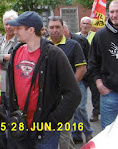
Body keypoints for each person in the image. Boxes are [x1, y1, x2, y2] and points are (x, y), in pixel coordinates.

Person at [7, 11, 81, 148]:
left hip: (44, 132)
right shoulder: (16, 52)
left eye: (19, 28)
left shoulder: (54, 54)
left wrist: (53, 122)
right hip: (20, 127)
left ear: (30, 30)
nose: (14, 31)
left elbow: (74, 94)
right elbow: (11, 89)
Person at [48, 16, 87, 149]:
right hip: (47, 97)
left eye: (57, 27)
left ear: (63, 28)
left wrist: (70, 87)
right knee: (48, 133)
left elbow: (82, 68)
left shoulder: (73, 45)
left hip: (65, 98)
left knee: (64, 135)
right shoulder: (43, 45)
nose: (54, 30)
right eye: (51, 27)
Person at [89, 0, 118, 130]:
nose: (114, 15)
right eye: (112, 11)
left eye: (117, 11)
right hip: (109, 94)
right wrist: (99, 84)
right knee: (108, 134)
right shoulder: (100, 36)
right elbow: (93, 63)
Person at [63, 22, 94, 144]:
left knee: (80, 108)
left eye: (60, 28)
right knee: (71, 109)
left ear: (65, 29)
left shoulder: (79, 41)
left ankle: (88, 132)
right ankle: (76, 134)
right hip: (62, 83)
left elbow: (89, 59)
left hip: (79, 80)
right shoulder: (52, 43)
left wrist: (85, 78)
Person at [77, 16, 100, 122]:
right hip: (81, 70)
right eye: (83, 23)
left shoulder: (96, 36)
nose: (85, 26)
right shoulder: (75, 37)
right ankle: (81, 118)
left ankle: (95, 113)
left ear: (91, 26)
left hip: (92, 69)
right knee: (80, 98)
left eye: (88, 24)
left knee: (95, 93)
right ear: (80, 25)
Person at [0, 9, 18, 112]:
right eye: (6, 24)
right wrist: (4, 57)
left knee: (12, 113)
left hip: (12, 85)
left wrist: (0, 59)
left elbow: (15, 61)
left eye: (11, 24)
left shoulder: (19, 42)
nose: (8, 27)